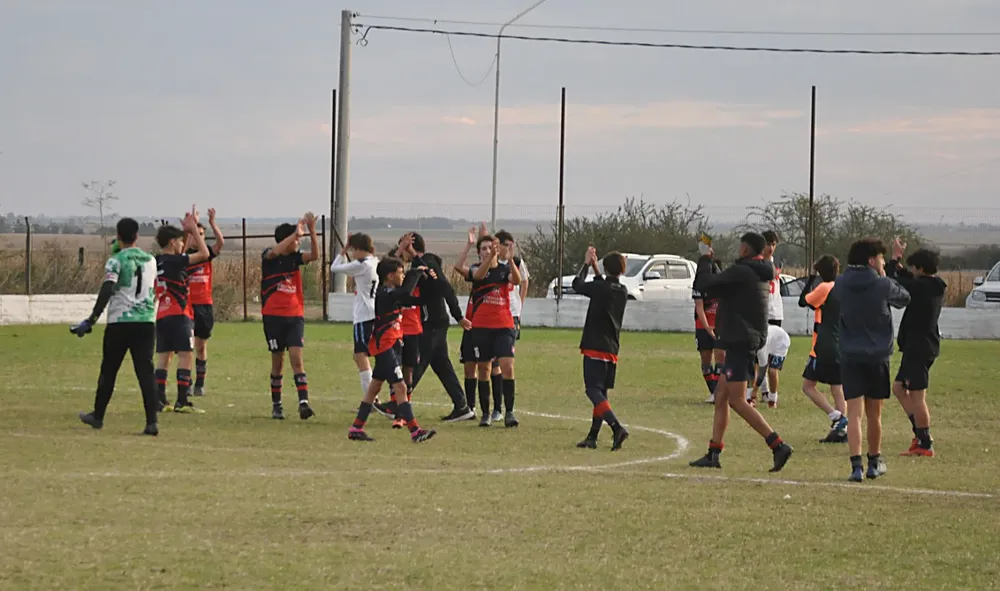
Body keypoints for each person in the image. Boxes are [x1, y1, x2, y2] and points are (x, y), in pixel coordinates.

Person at [688, 232, 793, 472]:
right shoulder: (756, 271)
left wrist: (704, 260)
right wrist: (712, 264)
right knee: (722, 398)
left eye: (740, 246)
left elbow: (705, 286)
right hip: (745, 338)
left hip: (738, 341)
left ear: (745, 249)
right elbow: (723, 285)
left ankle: (778, 445)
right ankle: (714, 452)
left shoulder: (744, 271)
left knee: (736, 400)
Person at [831, 237, 910, 482]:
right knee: (874, 413)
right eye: (881, 258)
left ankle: (856, 466)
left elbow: (835, 299)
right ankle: (874, 462)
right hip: (877, 356)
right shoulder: (882, 284)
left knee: (854, 412)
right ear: (871, 260)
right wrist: (888, 273)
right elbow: (904, 298)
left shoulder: (841, 283)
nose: (882, 261)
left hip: (850, 354)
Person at [74, 218, 161, 436]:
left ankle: (98, 416)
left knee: (109, 369)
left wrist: (92, 319)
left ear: (118, 235)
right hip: (146, 322)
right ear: (137, 236)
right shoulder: (151, 260)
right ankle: (152, 422)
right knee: (145, 372)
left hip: (120, 322)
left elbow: (107, 290)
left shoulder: (116, 260)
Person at [348, 240, 436, 443]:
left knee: (374, 387)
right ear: (390, 276)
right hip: (385, 346)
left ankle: (356, 428)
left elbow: (413, 299)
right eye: (400, 272)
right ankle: (415, 431)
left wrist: (430, 283)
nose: (403, 275)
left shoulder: (391, 294)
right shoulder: (385, 293)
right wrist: (416, 271)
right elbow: (405, 293)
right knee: (401, 387)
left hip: (392, 344)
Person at [405, 233, 476, 422]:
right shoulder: (420, 263)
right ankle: (462, 406)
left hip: (433, 323)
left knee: (417, 362)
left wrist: (458, 316)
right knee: (442, 365)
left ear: (411, 246)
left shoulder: (427, 262)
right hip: (436, 322)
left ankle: (398, 403)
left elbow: (445, 286)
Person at [455, 229, 522, 427]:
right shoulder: (477, 270)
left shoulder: (504, 270)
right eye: (483, 248)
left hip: (504, 326)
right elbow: (479, 275)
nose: (487, 250)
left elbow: (516, 280)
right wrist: (488, 256)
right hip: (481, 327)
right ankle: (485, 413)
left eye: (491, 247)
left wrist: (509, 260)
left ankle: (508, 412)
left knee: (507, 367)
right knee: (483, 369)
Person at [886, 238, 945, 457]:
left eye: (913, 267)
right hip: (921, 346)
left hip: (918, 348)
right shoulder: (934, 285)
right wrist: (901, 265)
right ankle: (920, 434)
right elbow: (908, 278)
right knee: (899, 388)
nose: (911, 270)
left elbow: (894, 281)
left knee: (918, 397)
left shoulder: (920, 288)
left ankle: (925, 443)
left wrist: (894, 259)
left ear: (920, 269)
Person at [261, 213, 319, 421]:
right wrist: (294, 234)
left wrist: (312, 232)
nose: (298, 242)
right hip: (273, 317)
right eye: (297, 239)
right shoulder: (269, 256)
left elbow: (314, 256)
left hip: (295, 316)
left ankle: (303, 402)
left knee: (297, 358)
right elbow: (276, 251)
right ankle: (277, 405)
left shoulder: (296, 259)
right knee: (278, 362)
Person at [572, 247, 630, 451]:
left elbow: (577, 285)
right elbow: (604, 286)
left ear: (606, 269)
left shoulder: (601, 289)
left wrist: (587, 263)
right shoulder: (622, 291)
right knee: (602, 392)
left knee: (592, 390)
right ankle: (592, 436)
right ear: (622, 271)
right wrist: (597, 269)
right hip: (612, 348)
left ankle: (617, 427)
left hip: (594, 345)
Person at [153, 210, 211, 413]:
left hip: (162, 313)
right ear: (171, 243)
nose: (181, 244)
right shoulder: (175, 261)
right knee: (186, 354)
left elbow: (181, 254)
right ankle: (182, 400)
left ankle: (159, 399)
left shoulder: (158, 261)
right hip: (180, 313)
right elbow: (205, 254)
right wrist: (194, 230)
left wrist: (186, 232)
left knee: (164, 355)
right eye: (178, 241)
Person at [798, 255, 848, 443]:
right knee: (837, 387)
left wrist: (810, 278)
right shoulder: (843, 288)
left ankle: (837, 417)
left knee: (808, 385)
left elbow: (804, 301)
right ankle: (841, 430)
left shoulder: (825, 287)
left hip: (824, 344)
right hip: (841, 342)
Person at [329, 233, 380, 406]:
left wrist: (343, 251)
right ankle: (375, 396)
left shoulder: (362, 265)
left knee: (360, 355)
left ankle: (371, 399)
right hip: (375, 313)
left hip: (363, 316)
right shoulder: (375, 262)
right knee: (368, 355)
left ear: (358, 249)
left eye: (354, 249)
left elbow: (334, 268)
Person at [491, 230, 530, 422]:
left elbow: (523, 281)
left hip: (511, 316)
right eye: (506, 245)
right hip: (491, 317)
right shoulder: (491, 262)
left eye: (510, 245)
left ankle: (507, 410)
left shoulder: (517, 262)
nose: (509, 248)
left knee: (505, 362)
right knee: (491, 364)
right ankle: (496, 408)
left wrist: (520, 304)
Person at [186, 208, 224, 396]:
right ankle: (186, 382)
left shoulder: (207, 253)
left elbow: (220, 243)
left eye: (201, 234)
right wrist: (189, 228)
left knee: (201, 346)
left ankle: (200, 384)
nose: (197, 237)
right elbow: (182, 249)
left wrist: (212, 223)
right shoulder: (185, 256)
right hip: (187, 307)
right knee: (186, 346)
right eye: (195, 235)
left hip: (204, 305)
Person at [693, 260, 725, 404]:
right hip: (702, 325)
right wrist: (707, 328)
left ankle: (719, 392)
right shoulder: (698, 285)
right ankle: (713, 391)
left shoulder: (722, 284)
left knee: (721, 356)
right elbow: (699, 308)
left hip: (720, 325)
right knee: (706, 360)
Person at [751, 323, 790, 409]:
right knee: (753, 368)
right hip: (770, 340)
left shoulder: (761, 348)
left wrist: (755, 390)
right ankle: (751, 398)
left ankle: (772, 400)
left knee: (772, 371)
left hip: (780, 342)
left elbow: (762, 372)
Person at [762, 230, 783, 328]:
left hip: (776, 312)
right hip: (762, 311)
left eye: (773, 245)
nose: (771, 248)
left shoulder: (777, 262)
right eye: (768, 244)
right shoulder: (757, 262)